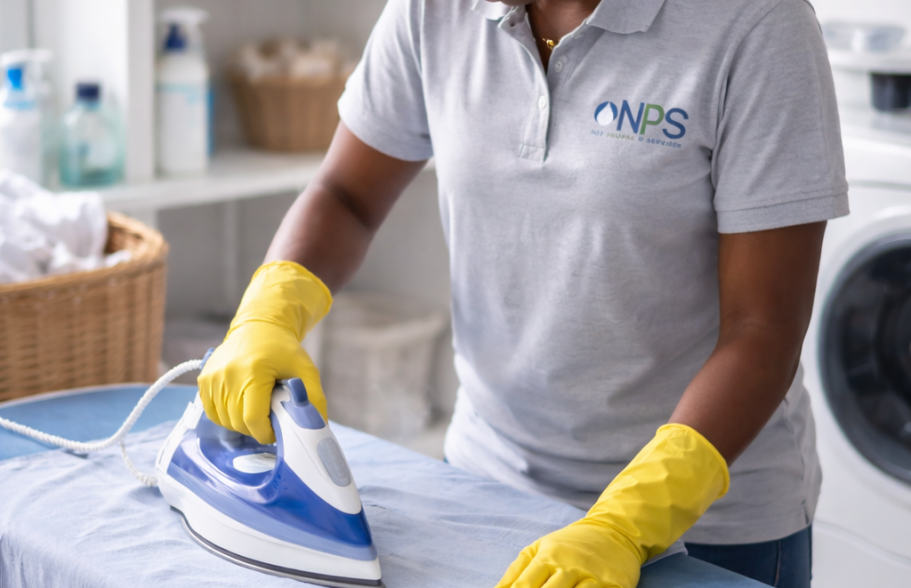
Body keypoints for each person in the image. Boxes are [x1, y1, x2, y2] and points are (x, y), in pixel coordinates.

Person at [198, 1, 848, 587]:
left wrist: (627, 521)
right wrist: (269, 314)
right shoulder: (432, 12)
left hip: (705, 525)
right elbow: (346, 194)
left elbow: (762, 328)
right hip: (485, 485)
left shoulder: (757, 24)